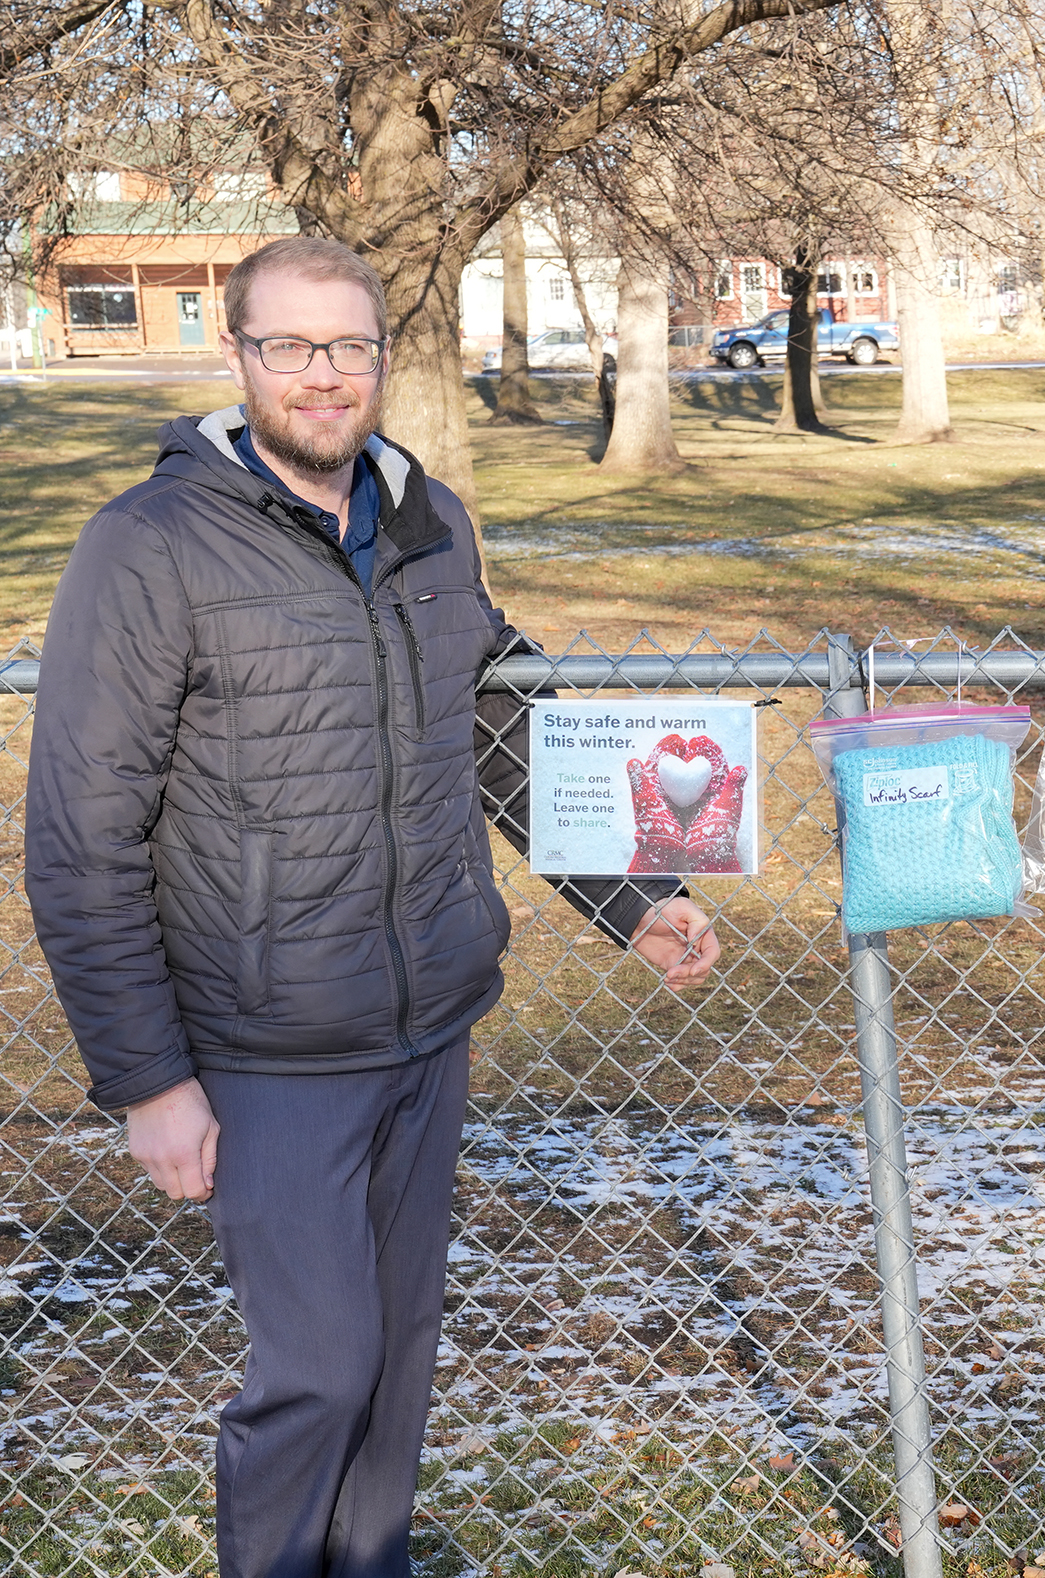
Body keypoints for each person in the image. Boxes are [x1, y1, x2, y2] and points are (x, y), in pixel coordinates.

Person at [24, 235, 725, 1578]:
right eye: (290, 346)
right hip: (264, 1047)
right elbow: (81, 836)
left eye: (349, 346)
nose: (324, 375)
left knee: (397, 1365)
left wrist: (636, 896)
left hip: (427, 1029)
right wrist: (147, 1079)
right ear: (237, 356)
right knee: (323, 1365)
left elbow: (508, 733)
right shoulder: (149, 546)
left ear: (382, 359)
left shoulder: (429, 521)